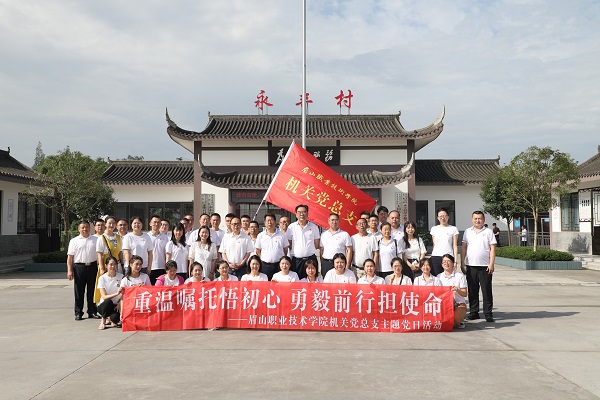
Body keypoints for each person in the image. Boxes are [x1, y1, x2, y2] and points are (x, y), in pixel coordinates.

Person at [461, 211, 497, 323]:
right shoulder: (467, 231)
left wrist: (491, 263)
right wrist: (462, 262)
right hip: (471, 265)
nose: (478, 221)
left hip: (485, 266)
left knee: (486, 290)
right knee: (472, 290)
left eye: (480, 218)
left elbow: (493, 249)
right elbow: (464, 247)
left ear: (484, 219)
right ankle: (474, 312)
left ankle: (488, 313)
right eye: (475, 218)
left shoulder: (488, 232)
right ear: (472, 219)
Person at [67, 220, 100, 321]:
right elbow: (70, 257)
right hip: (79, 267)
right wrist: (69, 270)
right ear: (79, 229)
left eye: (86, 227)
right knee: (79, 291)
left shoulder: (96, 239)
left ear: (90, 228)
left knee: (92, 291)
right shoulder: (74, 241)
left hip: (93, 267)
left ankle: (92, 311)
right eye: (82, 227)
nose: (85, 229)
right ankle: (78, 312)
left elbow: (100, 255)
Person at [286, 205, 320, 280]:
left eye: (304, 212)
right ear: (296, 214)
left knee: (312, 280)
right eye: (299, 212)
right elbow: (289, 244)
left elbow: (316, 243)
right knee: (296, 281)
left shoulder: (314, 227)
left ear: (307, 213)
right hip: (297, 261)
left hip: (310, 259)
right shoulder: (291, 227)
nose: (302, 214)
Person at [255, 213, 289, 280]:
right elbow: (258, 250)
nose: (270, 222)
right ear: (265, 223)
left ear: (275, 222)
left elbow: (285, 249)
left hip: (279, 265)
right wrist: (264, 258)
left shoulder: (282, 235)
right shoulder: (261, 235)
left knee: (279, 283)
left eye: (271, 220)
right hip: (265, 266)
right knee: (266, 283)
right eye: (268, 220)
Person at [438, 254, 468, 328]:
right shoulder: (439, 277)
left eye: (448, 261)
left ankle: (459, 320)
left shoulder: (460, 276)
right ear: (441, 264)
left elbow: (465, 294)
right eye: (444, 261)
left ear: (453, 264)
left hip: (458, 303)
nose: (446, 263)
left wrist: (457, 290)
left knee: (456, 318)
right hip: (444, 304)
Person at [320, 213, 352, 278]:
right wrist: (322, 264)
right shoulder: (323, 235)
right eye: (332, 220)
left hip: (340, 264)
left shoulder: (345, 234)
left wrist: (347, 265)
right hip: (327, 263)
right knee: (326, 282)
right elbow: (321, 250)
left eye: (336, 220)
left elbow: (349, 250)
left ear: (339, 221)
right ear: (328, 221)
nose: (334, 222)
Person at [429, 208, 459, 276]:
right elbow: (434, 244)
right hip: (436, 257)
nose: (443, 218)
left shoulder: (453, 229)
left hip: (448, 257)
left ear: (448, 216)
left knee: (449, 277)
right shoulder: (434, 229)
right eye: (441, 216)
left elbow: (455, 246)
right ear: (437, 218)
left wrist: (455, 261)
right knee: (436, 278)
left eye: (445, 216)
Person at [96, 256, 123, 330]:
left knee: (115, 318)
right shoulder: (102, 278)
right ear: (106, 266)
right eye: (111, 264)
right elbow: (104, 296)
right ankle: (103, 320)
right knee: (108, 302)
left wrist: (120, 303)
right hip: (104, 305)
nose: (113, 266)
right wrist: (116, 293)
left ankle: (110, 319)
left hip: (116, 305)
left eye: (115, 264)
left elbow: (125, 293)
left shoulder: (121, 277)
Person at [147, 215, 169, 285]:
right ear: (150, 223)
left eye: (159, 222)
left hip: (162, 267)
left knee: (161, 288)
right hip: (150, 268)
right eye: (155, 222)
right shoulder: (146, 236)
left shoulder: (165, 237)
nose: (156, 224)